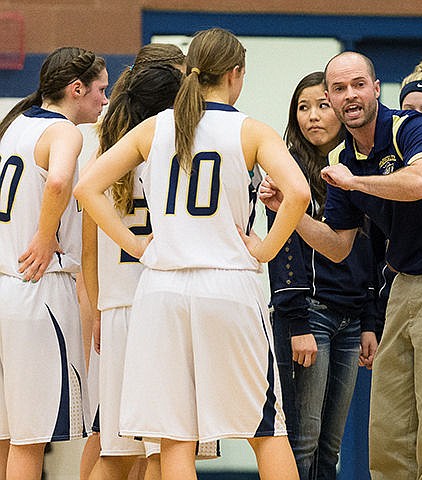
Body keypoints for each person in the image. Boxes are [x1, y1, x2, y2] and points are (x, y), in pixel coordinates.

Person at [74, 27, 310, 480]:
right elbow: (297, 192)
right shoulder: (250, 129)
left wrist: (137, 245)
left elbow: (88, 187)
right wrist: (263, 249)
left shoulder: (153, 127)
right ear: (235, 74)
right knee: (266, 431)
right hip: (227, 285)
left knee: (173, 438)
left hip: (161, 291)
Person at [260, 51, 422, 479]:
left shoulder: (412, 127)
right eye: (338, 89)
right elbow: (336, 246)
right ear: (331, 99)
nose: (349, 95)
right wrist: (288, 214)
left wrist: (356, 182)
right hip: (404, 282)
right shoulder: (341, 160)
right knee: (388, 428)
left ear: (375, 89)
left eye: (357, 85)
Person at [79, 43, 187, 480]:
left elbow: (90, 246)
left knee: (115, 449)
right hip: (164, 301)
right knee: (164, 449)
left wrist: (101, 306)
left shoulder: (106, 139)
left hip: (119, 305)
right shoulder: (176, 144)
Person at [0, 46, 108, 479]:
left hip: (5, 284)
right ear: (75, 88)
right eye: (100, 90)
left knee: (7, 433)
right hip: (35, 290)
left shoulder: (14, 126)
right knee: (31, 437)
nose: (104, 100)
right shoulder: (66, 133)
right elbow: (60, 179)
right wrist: (45, 237)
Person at [267, 71, 377, 480]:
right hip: (307, 313)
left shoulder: (358, 167)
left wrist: (370, 320)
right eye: (302, 107)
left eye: (322, 105)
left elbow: (371, 250)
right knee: (302, 440)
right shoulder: (285, 168)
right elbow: (282, 251)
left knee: (330, 447)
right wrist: (296, 320)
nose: (312, 116)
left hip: (351, 318)